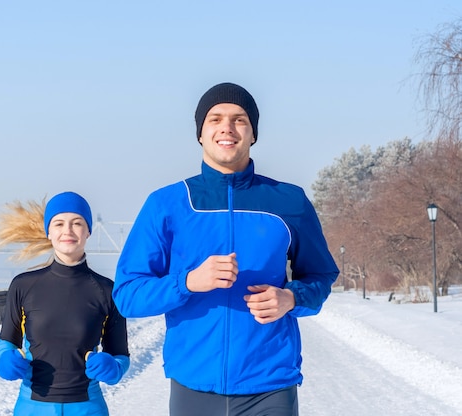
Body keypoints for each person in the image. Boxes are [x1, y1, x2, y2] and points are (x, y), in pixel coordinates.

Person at [113, 82, 339, 416]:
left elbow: (321, 275)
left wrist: (291, 298)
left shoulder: (290, 202)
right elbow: (127, 294)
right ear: (201, 134)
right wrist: (187, 282)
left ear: (253, 134)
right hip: (194, 387)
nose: (227, 128)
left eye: (239, 119)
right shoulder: (167, 204)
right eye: (215, 119)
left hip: (270, 386)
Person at [0, 191, 130, 416]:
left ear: (88, 231)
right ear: (49, 231)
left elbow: (120, 355)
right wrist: (5, 358)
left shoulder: (108, 291)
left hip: (88, 408)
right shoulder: (23, 285)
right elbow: (7, 340)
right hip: (32, 407)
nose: (67, 230)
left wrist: (113, 368)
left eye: (77, 223)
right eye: (59, 223)